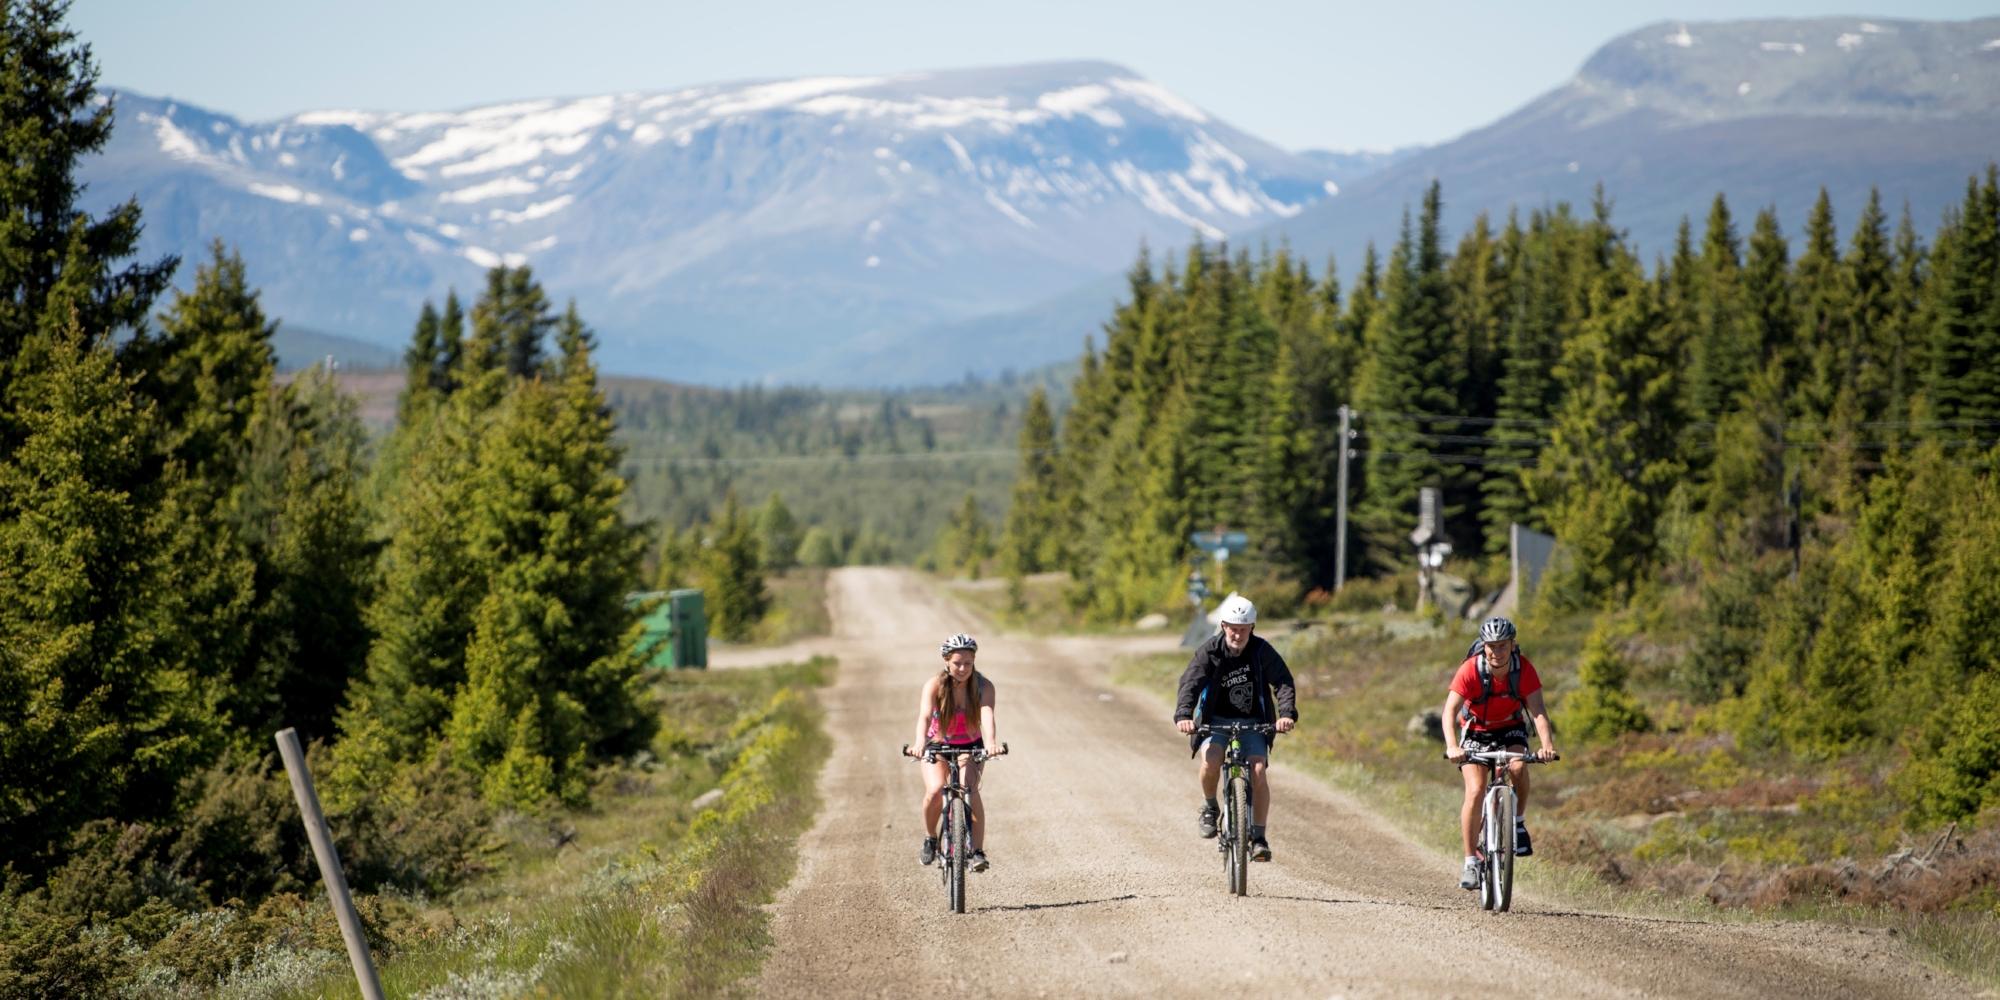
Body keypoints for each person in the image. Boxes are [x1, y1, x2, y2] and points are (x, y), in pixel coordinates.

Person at [1173, 594, 1297, 861]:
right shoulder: (1209, 651)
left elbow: (1283, 682)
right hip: (1214, 721)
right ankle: (1209, 808)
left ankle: (1259, 838)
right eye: (1232, 628)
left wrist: (1286, 714)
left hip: (1254, 722)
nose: (1237, 635)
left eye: (1243, 629)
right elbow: (1190, 683)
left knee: (1258, 771)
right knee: (1211, 760)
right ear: (1223, 626)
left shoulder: (1262, 651)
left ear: (1252, 628)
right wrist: (1184, 714)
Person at [1442, 616, 1557, 891]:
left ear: (1512, 645)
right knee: (1475, 789)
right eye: (1491, 646)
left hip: (1510, 728)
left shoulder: (1523, 669)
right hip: (1475, 732)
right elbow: (1449, 711)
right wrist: (1452, 746)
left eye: (1502, 646)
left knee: (1518, 767)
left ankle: (1517, 822)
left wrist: (1547, 745)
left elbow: (1538, 710)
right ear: (1484, 646)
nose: (1496, 652)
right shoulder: (1471, 670)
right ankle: (1471, 860)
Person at [906, 632, 1004, 872]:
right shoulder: (935, 685)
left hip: (970, 745)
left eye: (968, 663)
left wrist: (991, 742)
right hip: (937, 745)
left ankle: (977, 852)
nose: (962, 668)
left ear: (974, 662)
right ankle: (930, 838)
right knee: (936, 789)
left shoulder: (983, 686)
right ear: (946, 661)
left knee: (969, 788)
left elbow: (987, 714)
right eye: (957, 663)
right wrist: (919, 743)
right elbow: (925, 716)